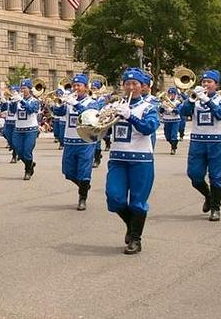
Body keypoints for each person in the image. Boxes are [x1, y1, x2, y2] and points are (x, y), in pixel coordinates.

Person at [105, 69, 160, 255]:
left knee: (138, 201)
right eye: (127, 84)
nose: (130, 87)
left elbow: (149, 128)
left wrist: (130, 116)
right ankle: (132, 225)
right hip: (117, 159)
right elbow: (103, 130)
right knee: (114, 197)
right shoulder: (115, 105)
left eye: (135, 84)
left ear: (142, 87)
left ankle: (135, 239)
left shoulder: (149, 107)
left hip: (141, 159)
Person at [179, 71, 221, 221]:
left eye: (209, 82)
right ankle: (208, 196)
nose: (206, 84)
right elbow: (183, 112)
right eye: (204, 82)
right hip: (197, 142)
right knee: (194, 175)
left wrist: (207, 100)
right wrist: (190, 100)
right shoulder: (195, 99)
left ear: (216, 85)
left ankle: (215, 208)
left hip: (217, 142)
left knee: (215, 177)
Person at [53, 75, 100, 210]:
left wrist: (75, 104)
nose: (76, 88)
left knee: (84, 170)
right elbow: (58, 112)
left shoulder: (91, 102)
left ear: (85, 87)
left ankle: (82, 197)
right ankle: (84, 186)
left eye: (79, 85)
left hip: (85, 140)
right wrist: (61, 103)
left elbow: (90, 114)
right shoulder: (70, 100)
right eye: (74, 85)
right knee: (68, 171)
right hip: (70, 140)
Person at [9, 79, 40, 180]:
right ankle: (30, 163)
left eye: (24, 88)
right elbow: (12, 111)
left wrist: (21, 101)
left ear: (29, 89)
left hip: (31, 129)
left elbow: (31, 109)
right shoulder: (18, 100)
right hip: (18, 129)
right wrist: (13, 102)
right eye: (21, 88)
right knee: (19, 151)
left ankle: (27, 170)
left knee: (27, 151)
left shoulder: (35, 101)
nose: (22, 90)